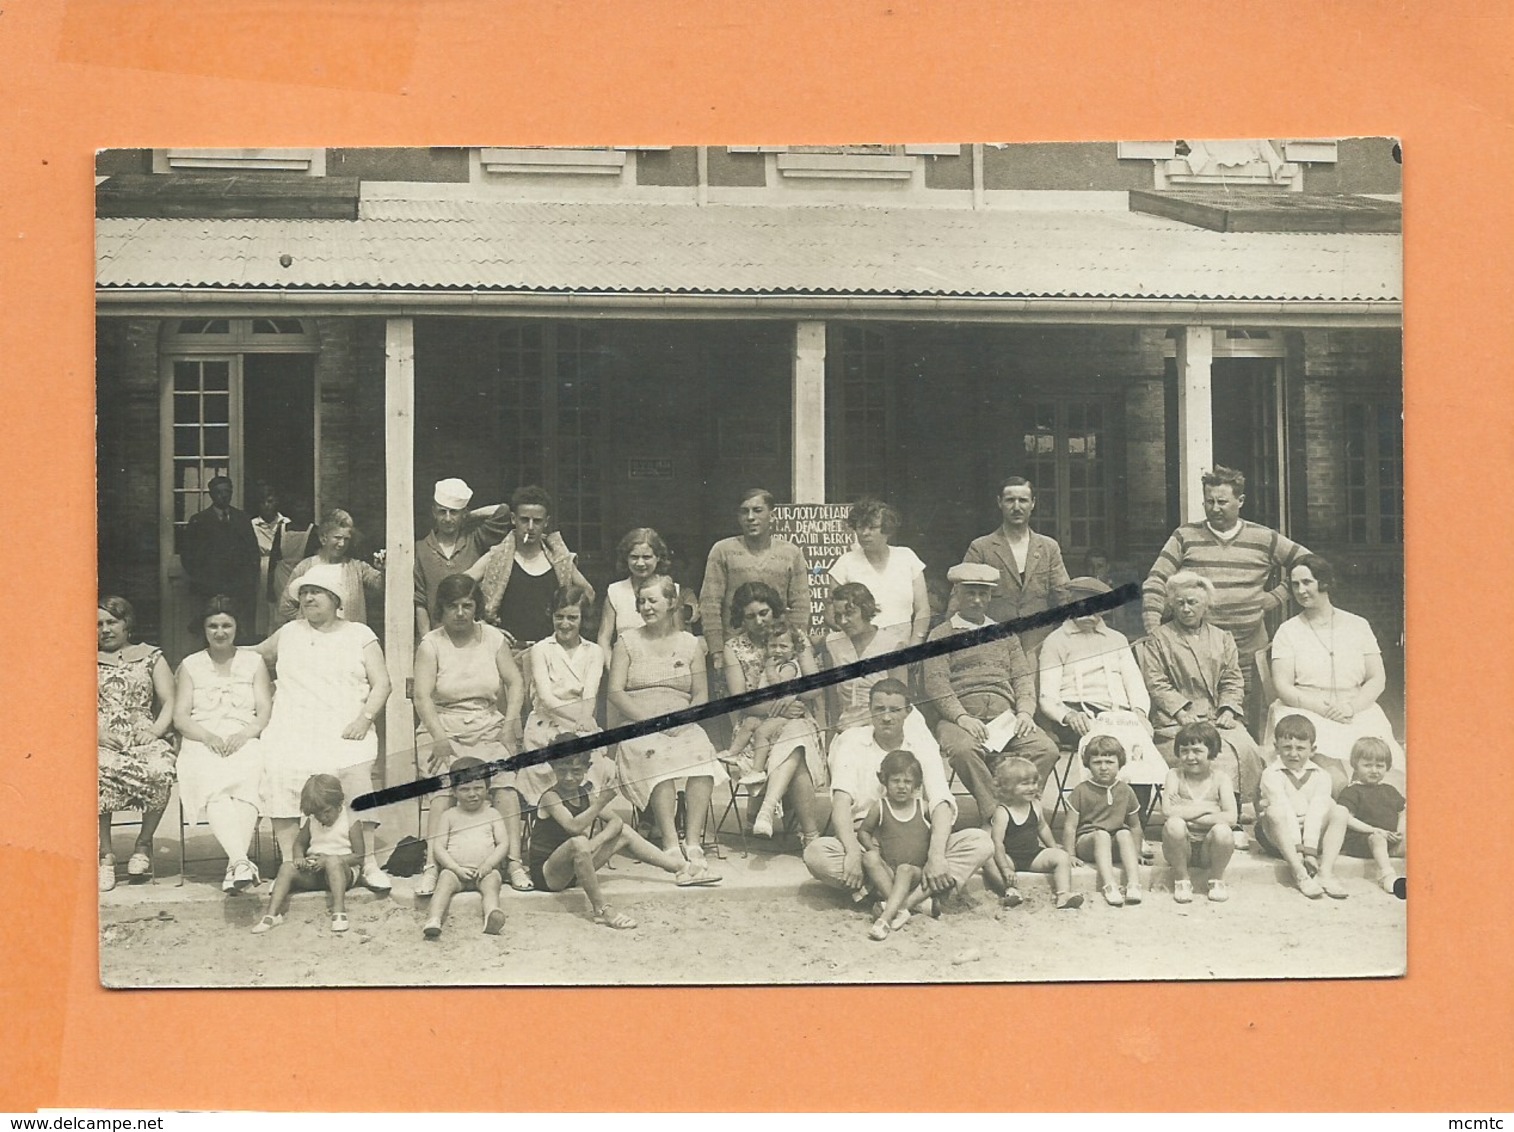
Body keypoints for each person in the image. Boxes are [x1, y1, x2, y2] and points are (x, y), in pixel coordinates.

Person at [255, 563, 394, 893]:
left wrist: (365, 719)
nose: (308, 598)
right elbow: (254, 655)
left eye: (315, 592)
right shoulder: (289, 632)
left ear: (335, 599)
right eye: (303, 593)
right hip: (294, 726)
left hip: (347, 726)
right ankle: (293, 863)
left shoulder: (360, 634)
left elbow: (382, 684)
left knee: (356, 772)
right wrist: (210, 656)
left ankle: (367, 861)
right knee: (280, 769)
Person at [1141, 466, 1310, 728]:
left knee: (1252, 716)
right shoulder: (1185, 536)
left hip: (1248, 647)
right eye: (1210, 502)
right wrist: (1154, 629)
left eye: (1222, 502)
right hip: (1197, 652)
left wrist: (1278, 595)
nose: (1215, 508)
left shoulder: (1263, 537)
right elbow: (1156, 580)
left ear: (1240, 501)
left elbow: (1309, 562)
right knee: (1200, 721)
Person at [803, 680, 994, 907]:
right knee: (816, 853)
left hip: (917, 845)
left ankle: (883, 895)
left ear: (907, 712)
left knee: (981, 842)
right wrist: (853, 853)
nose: (886, 717)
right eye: (879, 709)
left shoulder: (922, 744)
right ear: (870, 710)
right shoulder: (852, 742)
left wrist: (936, 856)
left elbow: (941, 803)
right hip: (869, 847)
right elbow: (841, 804)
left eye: (894, 710)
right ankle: (919, 900)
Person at [411, 573, 529, 897]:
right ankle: (432, 867)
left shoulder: (492, 638)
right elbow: (422, 696)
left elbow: (515, 682)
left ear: (476, 606)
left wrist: (509, 723)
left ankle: (514, 863)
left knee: (505, 785)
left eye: (467, 605)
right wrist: (438, 736)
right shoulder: (431, 644)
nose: (461, 613)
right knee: (441, 788)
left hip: (488, 723)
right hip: (443, 724)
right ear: (442, 609)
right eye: (453, 606)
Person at [607, 574, 724, 880]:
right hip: (639, 723)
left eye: (653, 601)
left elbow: (701, 695)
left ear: (672, 603)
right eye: (641, 602)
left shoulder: (690, 644)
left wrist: (681, 720)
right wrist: (650, 721)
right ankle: (670, 845)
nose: (646, 607)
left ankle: (694, 842)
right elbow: (616, 692)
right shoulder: (627, 643)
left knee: (701, 755)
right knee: (657, 757)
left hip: (681, 722)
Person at [529, 744, 720, 931]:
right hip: (548, 874)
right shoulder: (551, 797)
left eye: (576, 771)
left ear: (587, 769)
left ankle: (683, 869)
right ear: (553, 768)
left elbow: (616, 822)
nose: (569, 777)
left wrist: (596, 842)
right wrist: (602, 801)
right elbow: (573, 826)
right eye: (562, 771)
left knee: (625, 832)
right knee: (578, 842)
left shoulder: (584, 793)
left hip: (575, 868)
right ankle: (602, 909)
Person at [925, 562, 1060, 823]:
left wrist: (1024, 713)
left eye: (982, 594)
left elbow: (1022, 679)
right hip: (961, 719)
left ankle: (1017, 810)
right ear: (957, 594)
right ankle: (995, 814)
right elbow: (936, 684)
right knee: (964, 751)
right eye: (970, 593)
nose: (976, 600)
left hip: (1005, 719)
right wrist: (962, 717)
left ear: (989, 596)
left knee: (1046, 748)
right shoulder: (940, 635)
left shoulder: (1005, 634)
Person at [1139, 569, 1266, 847]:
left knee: (1245, 748)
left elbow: (1232, 677)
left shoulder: (1222, 637)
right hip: (1175, 719)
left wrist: (1229, 709)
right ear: (1171, 605)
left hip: (1215, 715)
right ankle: (1217, 822)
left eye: (1193, 602)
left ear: (1206, 605)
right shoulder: (1159, 638)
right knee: (1208, 754)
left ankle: (1232, 817)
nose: (1186, 608)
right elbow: (1156, 683)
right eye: (1180, 602)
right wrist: (1182, 712)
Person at [1263, 554, 1404, 794]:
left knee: (1389, 779)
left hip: (1356, 708)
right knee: (1336, 781)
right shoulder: (1288, 631)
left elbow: (1377, 678)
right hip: (1306, 708)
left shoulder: (1357, 625)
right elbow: (1283, 686)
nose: (1301, 590)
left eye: (1307, 582)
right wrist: (1322, 708)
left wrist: (1351, 707)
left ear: (1324, 582)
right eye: (1295, 585)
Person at [173, 595, 271, 894]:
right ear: (203, 629)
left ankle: (236, 866)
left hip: (245, 735)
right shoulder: (190, 665)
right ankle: (241, 861)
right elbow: (180, 717)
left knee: (248, 781)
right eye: (212, 626)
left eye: (226, 625)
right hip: (202, 737)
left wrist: (247, 733)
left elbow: (265, 709)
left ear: (236, 627)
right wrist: (208, 737)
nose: (220, 632)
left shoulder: (254, 662)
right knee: (213, 782)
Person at [1039, 576, 1166, 805]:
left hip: (1120, 713)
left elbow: (1134, 683)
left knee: (1139, 746)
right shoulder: (1056, 641)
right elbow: (1047, 696)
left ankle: (1135, 820)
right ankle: (1099, 814)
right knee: (1107, 747)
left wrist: (1139, 713)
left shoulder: (1116, 639)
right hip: (1079, 714)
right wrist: (1068, 715)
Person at [720, 582, 826, 844]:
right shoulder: (734, 647)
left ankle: (766, 810)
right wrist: (783, 708)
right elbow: (739, 700)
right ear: (740, 618)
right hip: (754, 730)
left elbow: (816, 688)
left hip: (797, 719)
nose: (758, 621)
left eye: (764, 613)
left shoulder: (795, 637)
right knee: (795, 745)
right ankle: (810, 836)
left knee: (796, 736)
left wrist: (794, 696)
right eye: (750, 616)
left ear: (774, 611)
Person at [97, 595, 177, 891]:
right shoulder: (85, 658)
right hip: (101, 734)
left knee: (161, 768)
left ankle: (142, 846)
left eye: (111, 622)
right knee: (95, 770)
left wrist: (155, 731)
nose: (105, 629)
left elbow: (169, 700)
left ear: (127, 623)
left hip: (144, 733)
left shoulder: (150, 656)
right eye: (98, 624)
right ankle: (105, 856)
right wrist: (95, 734)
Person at [518, 586, 615, 810]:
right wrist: (583, 719)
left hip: (580, 721)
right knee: (550, 763)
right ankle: (552, 816)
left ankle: (583, 814)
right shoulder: (542, 649)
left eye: (572, 618)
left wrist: (585, 720)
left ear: (584, 619)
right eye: (559, 617)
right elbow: (546, 698)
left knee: (596, 762)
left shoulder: (594, 652)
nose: (565, 624)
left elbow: (590, 695)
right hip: (546, 723)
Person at [470, 485, 595, 652]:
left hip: (552, 653)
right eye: (524, 520)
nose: (530, 527)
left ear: (546, 522)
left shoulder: (559, 559)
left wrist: (569, 631)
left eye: (537, 521)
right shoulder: (497, 556)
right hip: (509, 653)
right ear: (513, 519)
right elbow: (458, 589)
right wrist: (482, 627)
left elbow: (588, 593)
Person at [960, 477, 1070, 656]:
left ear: (1033, 503)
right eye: (1010, 500)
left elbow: (1063, 595)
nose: (1017, 507)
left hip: (1039, 644)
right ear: (999, 503)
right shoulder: (981, 547)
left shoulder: (1049, 547)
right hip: (994, 642)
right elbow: (960, 596)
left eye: (1023, 500)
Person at [699, 488, 811, 658]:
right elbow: (710, 604)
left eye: (757, 511)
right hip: (735, 650)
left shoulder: (791, 553)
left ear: (772, 515)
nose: (750, 517)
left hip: (777, 648)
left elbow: (801, 605)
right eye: (744, 512)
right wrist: (717, 651)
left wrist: (793, 645)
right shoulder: (722, 550)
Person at [251, 773, 361, 934]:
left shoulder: (351, 821)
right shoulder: (313, 821)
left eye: (327, 812)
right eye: (316, 814)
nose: (322, 817)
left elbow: (359, 856)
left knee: (333, 863)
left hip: (343, 872)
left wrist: (330, 860)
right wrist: (299, 858)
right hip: (316, 871)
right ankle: (271, 915)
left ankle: (339, 912)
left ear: (339, 803)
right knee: (286, 867)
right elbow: (299, 843)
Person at [1256, 714, 1351, 900]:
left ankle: (1325, 873)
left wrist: (1309, 850)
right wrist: (1299, 851)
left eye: (1300, 748)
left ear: (1313, 749)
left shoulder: (1321, 775)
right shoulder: (1271, 774)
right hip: (1279, 837)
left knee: (1339, 810)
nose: (1293, 754)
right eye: (1287, 748)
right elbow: (1282, 806)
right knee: (1275, 811)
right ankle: (1299, 872)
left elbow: (1317, 811)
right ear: (1276, 748)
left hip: (1310, 841)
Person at [420, 756, 509, 939]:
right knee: (444, 882)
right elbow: (439, 846)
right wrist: (454, 867)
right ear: (454, 792)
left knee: (492, 884)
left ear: (487, 788)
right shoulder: (449, 815)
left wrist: (489, 864)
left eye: (478, 788)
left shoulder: (492, 814)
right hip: (456, 872)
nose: (472, 794)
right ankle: (434, 919)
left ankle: (492, 914)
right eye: (465, 789)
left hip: (484, 872)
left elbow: (503, 843)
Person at [414, 477, 513, 640]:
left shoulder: (475, 541)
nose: (447, 518)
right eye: (442, 511)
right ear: (433, 512)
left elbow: (503, 512)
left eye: (453, 512)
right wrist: (427, 640)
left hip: (473, 635)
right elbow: (420, 601)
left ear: (463, 513)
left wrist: (469, 516)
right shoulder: (420, 549)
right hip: (438, 637)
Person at [826, 499, 929, 650]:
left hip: (903, 650)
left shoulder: (907, 557)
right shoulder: (845, 563)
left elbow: (923, 609)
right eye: (860, 527)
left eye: (872, 527)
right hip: (860, 653)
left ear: (887, 530)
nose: (864, 533)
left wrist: (915, 647)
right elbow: (830, 614)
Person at [984, 757, 1082, 910]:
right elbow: (997, 842)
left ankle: (1063, 894)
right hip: (1010, 857)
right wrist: (1005, 868)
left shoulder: (1035, 805)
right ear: (1008, 787)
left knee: (1061, 857)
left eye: (1034, 782)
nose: (1031, 787)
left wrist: (1053, 848)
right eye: (1025, 784)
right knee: (989, 860)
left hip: (1033, 856)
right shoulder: (1003, 812)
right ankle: (1009, 891)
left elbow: (1042, 827)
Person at [1061, 735, 1144, 907]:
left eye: (1109, 762)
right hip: (1089, 843)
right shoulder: (1082, 790)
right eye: (1097, 763)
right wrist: (1070, 854)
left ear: (1119, 763)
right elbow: (1070, 826)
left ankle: (1134, 884)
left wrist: (1137, 851)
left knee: (1124, 832)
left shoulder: (1125, 790)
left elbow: (1135, 825)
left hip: (1114, 844)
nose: (1104, 768)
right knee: (1101, 835)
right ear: (1088, 765)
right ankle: (1109, 886)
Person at [1159, 722, 1237, 904]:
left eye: (1197, 751)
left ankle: (1216, 880)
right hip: (1180, 846)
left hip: (1209, 848)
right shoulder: (1174, 775)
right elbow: (1168, 811)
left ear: (1211, 751)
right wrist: (1210, 808)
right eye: (1184, 750)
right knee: (1174, 825)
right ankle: (1182, 880)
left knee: (1223, 831)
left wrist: (1185, 810)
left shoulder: (1221, 778)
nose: (1190, 757)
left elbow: (1231, 817)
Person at [857, 749, 931, 941]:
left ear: (916, 784)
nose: (901, 787)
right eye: (896, 781)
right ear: (885, 781)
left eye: (907, 782)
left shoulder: (922, 807)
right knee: (869, 858)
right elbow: (864, 831)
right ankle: (903, 908)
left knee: (905, 870)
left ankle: (885, 918)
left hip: (916, 873)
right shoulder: (880, 806)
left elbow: (940, 831)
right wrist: (874, 850)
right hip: (890, 874)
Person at [721, 620, 806, 785]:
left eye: (783, 646)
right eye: (773, 646)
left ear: (793, 649)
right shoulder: (774, 664)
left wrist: (769, 669)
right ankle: (733, 752)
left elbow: (779, 686)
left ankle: (757, 770)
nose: (778, 651)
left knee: (761, 733)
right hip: (769, 710)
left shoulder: (790, 666)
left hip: (785, 715)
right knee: (749, 723)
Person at [181, 476, 260, 639]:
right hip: (209, 587)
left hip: (237, 587)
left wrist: (249, 581)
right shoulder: (199, 520)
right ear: (211, 494)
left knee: (236, 630)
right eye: (218, 492)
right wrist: (202, 579)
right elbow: (188, 556)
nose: (223, 496)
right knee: (210, 629)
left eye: (227, 492)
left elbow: (252, 552)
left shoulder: (242, 518)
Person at [277, 508, 384, 629]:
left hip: (348, 638)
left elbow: (381, 586)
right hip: (316, 640)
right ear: (323, 538)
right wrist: (310, 623)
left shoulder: (357, 567)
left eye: (346, 539)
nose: (342, 544)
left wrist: (383, 569)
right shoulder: (305, 567)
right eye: (337, 538)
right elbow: (286, 606)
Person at [821, 581, 905, 734]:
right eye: (838, 616)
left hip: (888, 723)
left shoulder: (892, 645)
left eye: (849, 613)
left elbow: (901, 701)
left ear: (866, 610)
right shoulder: (833, 643)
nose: (843, 621)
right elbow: (832, 699)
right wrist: (832, 734)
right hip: (846, 725)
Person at [598, 527, 689, 654]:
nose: (640, 563)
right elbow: (603, 639)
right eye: (634, 557)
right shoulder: (615, 592)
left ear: (658, 557)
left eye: (646, 557)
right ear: (626, 558)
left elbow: (680, 636)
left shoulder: (672, 590)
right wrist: (614, 668)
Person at [1337, 737, 1406, 897]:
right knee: (1377, 838)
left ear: (1387, 767)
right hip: (1362, 840)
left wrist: (1399, 831)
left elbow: (1403, 810)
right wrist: (1375, 830)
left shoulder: (1389, 790)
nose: (1374, 770)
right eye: (1367, 765)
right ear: (1355, 765)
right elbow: (1347, 818)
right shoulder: (1353, 791)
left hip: (1389, 839)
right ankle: (1387, 875)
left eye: (1379, 766)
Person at [250, 484, 292, 639]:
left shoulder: (286, 523)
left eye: (270, 501)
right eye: (263, 502)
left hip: (281, 567)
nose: (267, 506)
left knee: (280, 605)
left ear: (277, 502)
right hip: (261, 567)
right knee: (263, 606)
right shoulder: (253, 524)